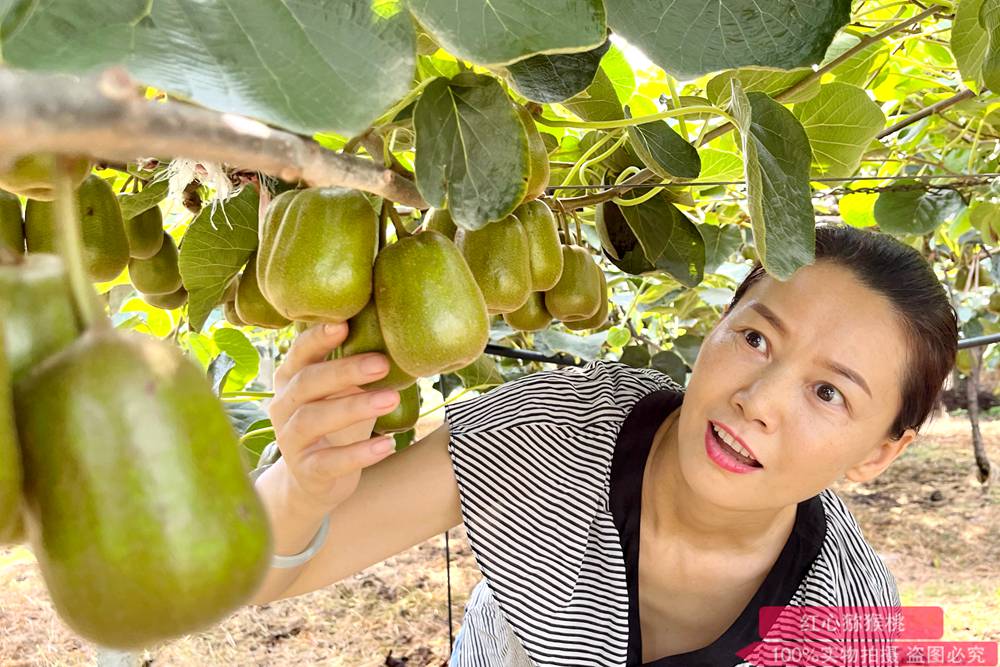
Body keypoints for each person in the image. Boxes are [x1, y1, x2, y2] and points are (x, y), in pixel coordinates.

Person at [247, 223, 958, 667]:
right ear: (716, 325)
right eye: (754, 337)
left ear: (877, 454)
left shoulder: (849, 623)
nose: (758, 399)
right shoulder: (552, 437)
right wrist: (302, 489)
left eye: (828, 392)